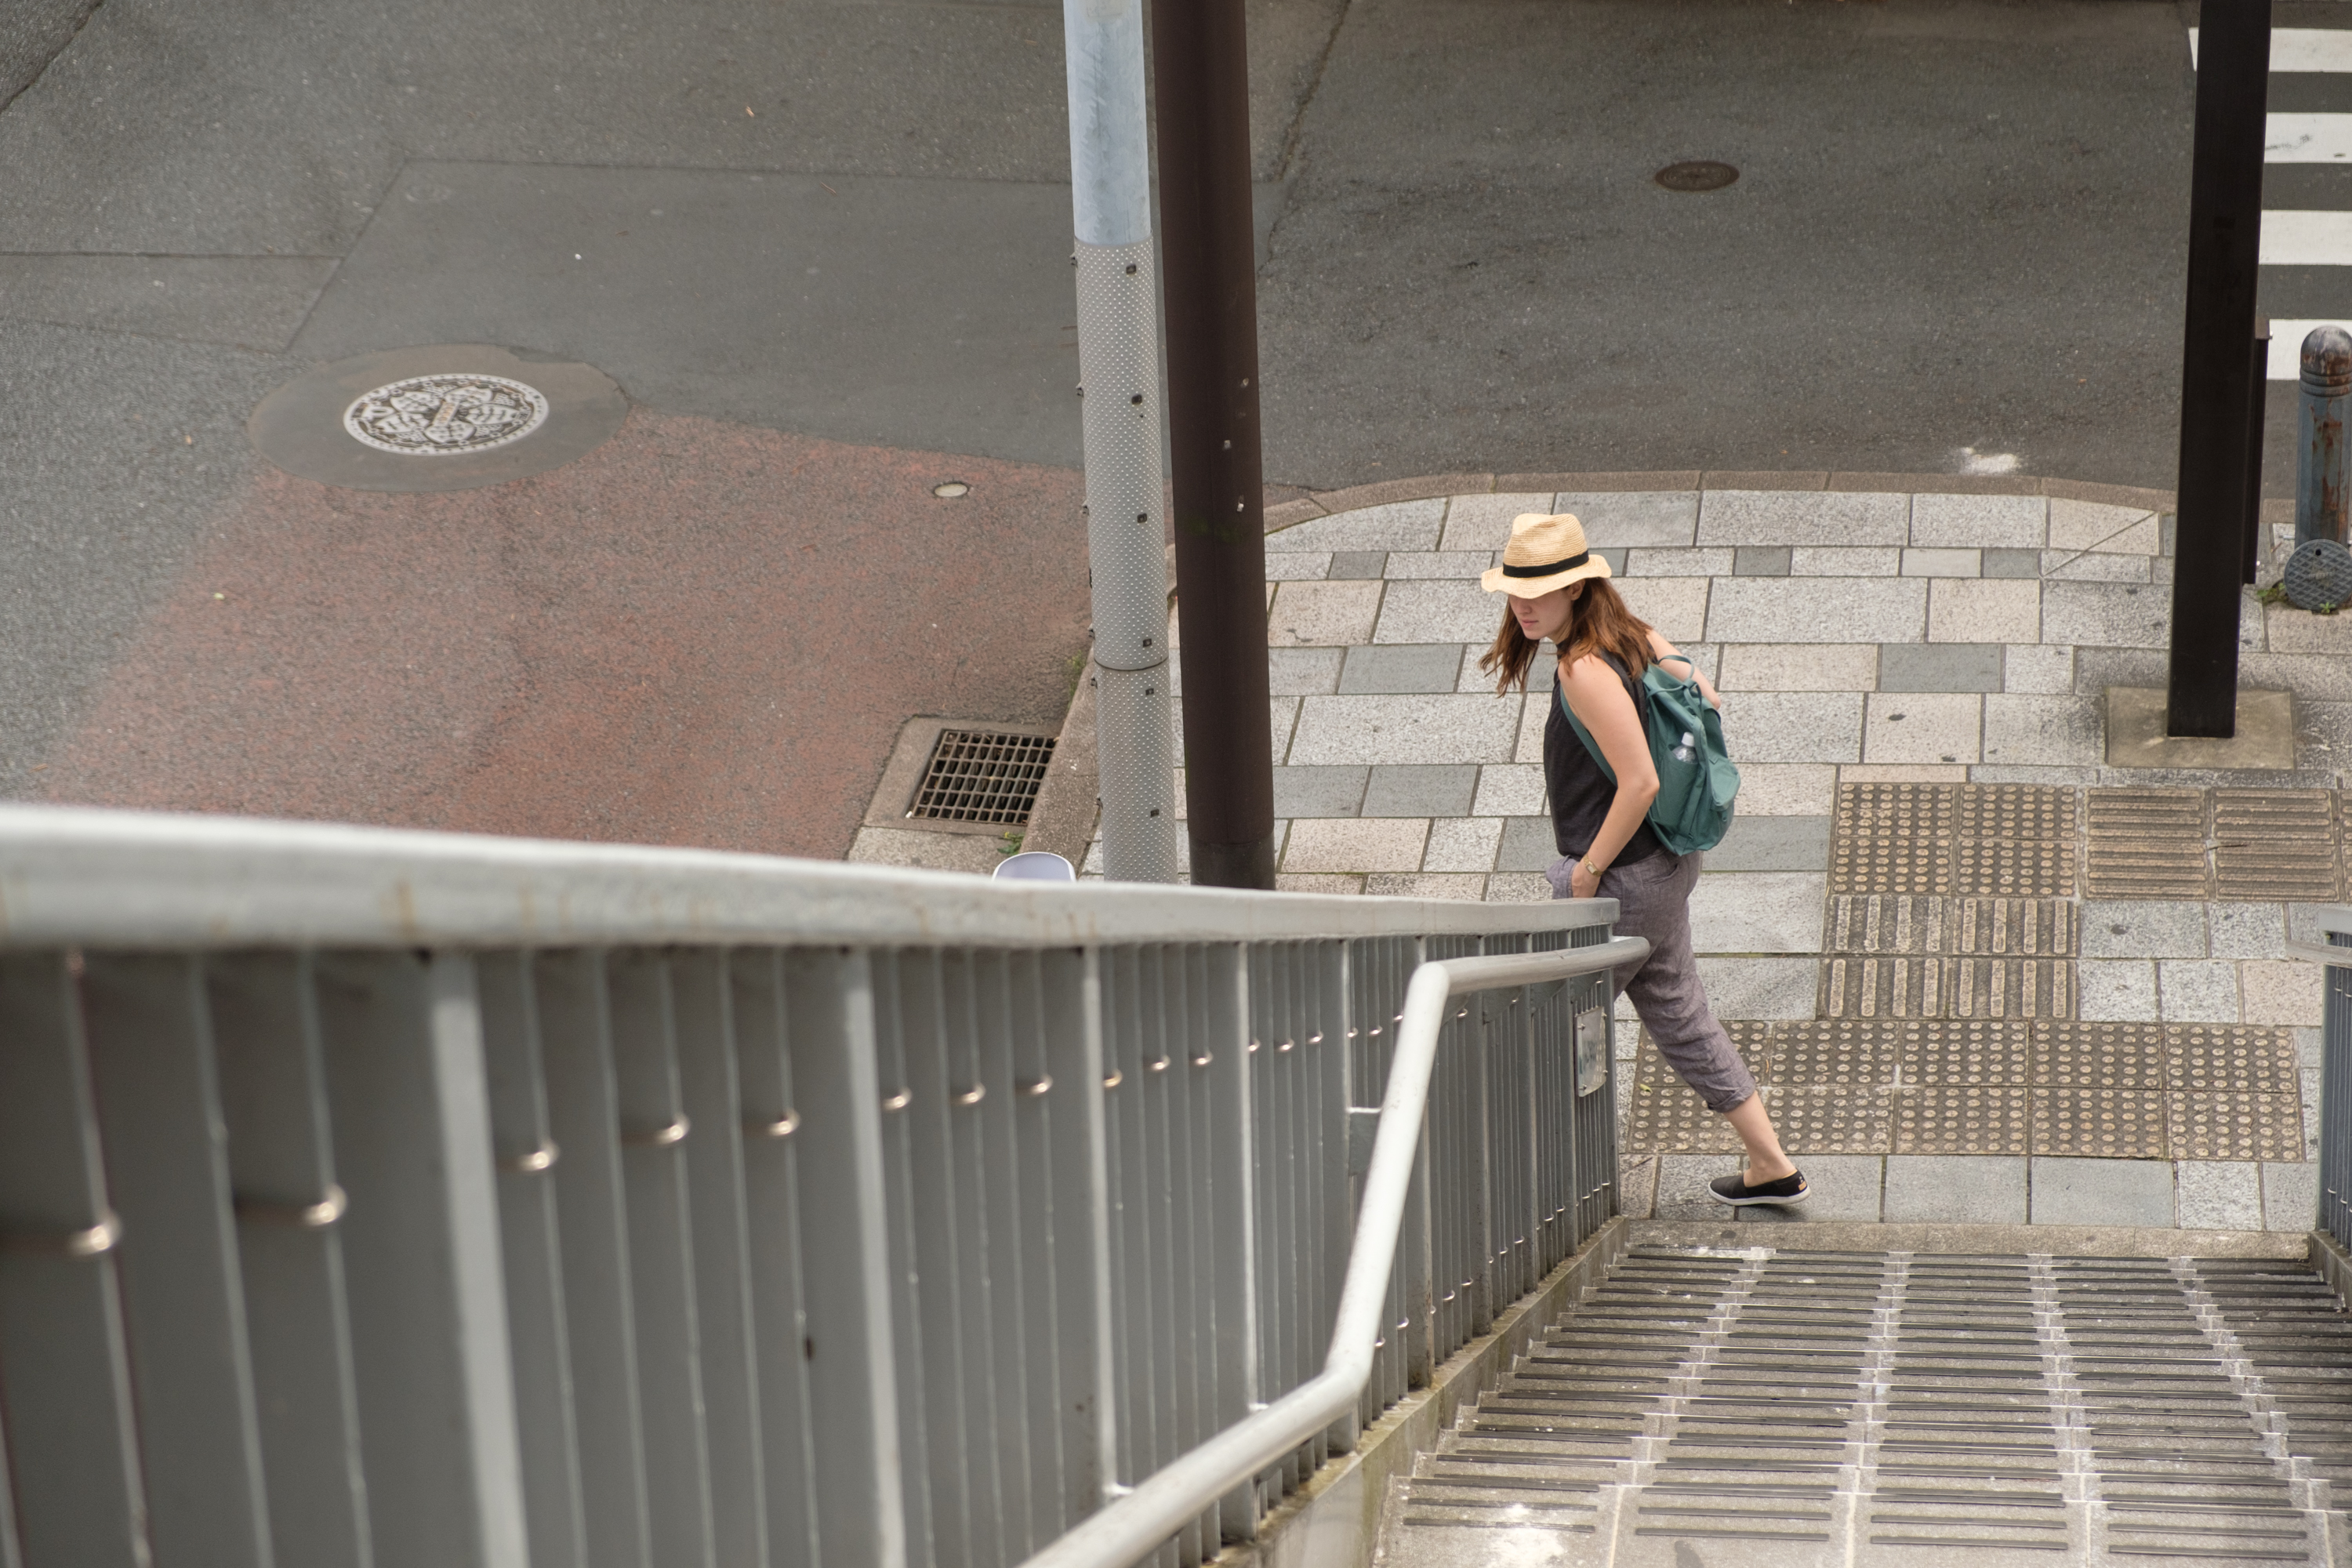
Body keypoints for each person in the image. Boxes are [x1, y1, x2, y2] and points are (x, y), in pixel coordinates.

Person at [1477, 511, 1807, 1208]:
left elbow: (1641, 783)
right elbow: (1704, 693)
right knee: (1681, 1017)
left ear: (1576, 588)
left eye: (1540, 590)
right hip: (1665, 866)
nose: (1523, 605)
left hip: (1624, 880)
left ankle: (1538, 1187)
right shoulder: (1632, 634)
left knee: (1545, 1019)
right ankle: (1770, 1165)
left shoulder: (1583, 669)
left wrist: (1586, 874)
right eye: (1515, 590)